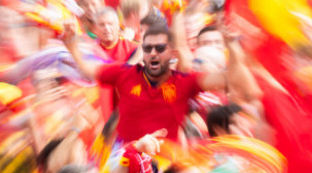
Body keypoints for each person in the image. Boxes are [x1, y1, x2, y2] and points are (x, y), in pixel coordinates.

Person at [62, 21, 258, 143]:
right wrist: (73, 48)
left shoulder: (186, 82)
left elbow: (232, 77)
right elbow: (88, 69)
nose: (153, 53)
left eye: (159, 48)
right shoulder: (124, 74)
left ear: (171, 53)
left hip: (166, 165)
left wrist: (232, 45)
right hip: (126, 159)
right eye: (148, 48)